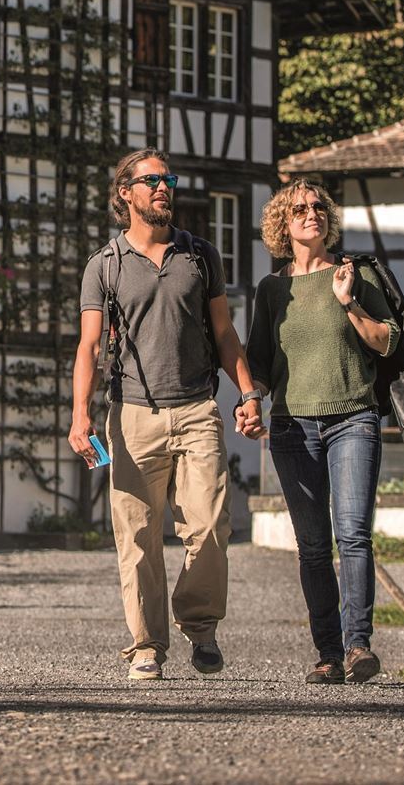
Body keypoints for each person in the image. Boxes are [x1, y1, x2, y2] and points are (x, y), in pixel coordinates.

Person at [67, 149, 266, 681]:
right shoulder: (104, 266)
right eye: (150, 180)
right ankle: (146, 645)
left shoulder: (199, 255)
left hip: (198, 408)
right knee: (137, 537)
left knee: (209, 526)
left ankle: (199, 626)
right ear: (125, 193)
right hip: (132, 413)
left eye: (167, 179)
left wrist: (246, 392)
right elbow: (88, 347)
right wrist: (79, 417)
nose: (162, 187)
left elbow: (223, 333)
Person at [245, 179, 399, 685]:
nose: (311, 213)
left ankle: (358, 646)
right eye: (299, 209)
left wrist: (349, 303)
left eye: (318, 207)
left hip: (352, 418)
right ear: (282, 225)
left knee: (352, 534)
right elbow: (261, 364)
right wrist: (249, 401)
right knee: (312, 545)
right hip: (291, 426)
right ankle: (328, 654)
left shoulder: (355, 274)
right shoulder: (271, 290)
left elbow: (385, 344)